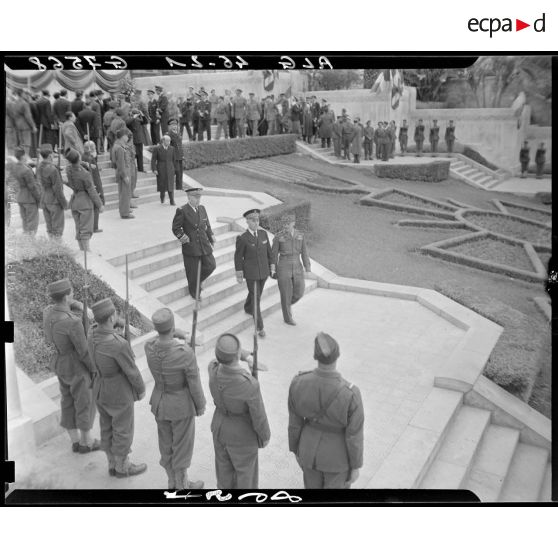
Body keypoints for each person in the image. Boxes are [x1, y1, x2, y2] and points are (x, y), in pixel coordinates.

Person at [288, 332, 364, 489]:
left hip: (308, 452)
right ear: (338, 356)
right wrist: (356, 466)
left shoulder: (298, 382)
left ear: (315, 357)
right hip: (337, 460)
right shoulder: (351, 393)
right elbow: (354, 435)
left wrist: (296, 449)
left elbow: (294, 423)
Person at [145, 308, 206, 490]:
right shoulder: (185, 352)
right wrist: (200, 405)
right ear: (172, 327)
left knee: (166, 444)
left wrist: (174, 333)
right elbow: (194, 382)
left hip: (160, 403)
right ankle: (182, 485)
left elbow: (157, 339)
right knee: (182, 446)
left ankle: (172, 482)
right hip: (180, 406)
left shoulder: (149, 347)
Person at [88, 298, 147, 478]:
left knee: (106, 427)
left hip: (100, 388)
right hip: (118, 392)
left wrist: (119, 328)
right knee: (123, 429)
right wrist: (141, 389)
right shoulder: (118, 344)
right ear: (113, 316)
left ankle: (112, 464)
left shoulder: (91, 334)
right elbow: (132, 372)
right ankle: (123, 467)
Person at [43, 278, 100, 454]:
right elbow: (83, 352)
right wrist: (94, 370)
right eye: (72, 293)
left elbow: (65, 301)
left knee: (67, 401)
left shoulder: (48, 312)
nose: (73, 295)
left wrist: (81, 306)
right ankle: (87, 443)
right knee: (84, 402)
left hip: (60, 362)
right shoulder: (72, 322)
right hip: (76, 366)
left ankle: (75, 441)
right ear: (67, 296)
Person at [208, 333, 270, 489]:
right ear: (237, 355)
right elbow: (259, 417)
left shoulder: (212, 369)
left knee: (223, 475)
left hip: (220, 428)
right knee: (245, 479)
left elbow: (220, 357)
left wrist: (246, 356)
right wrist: (265, 437)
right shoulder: (249, 384)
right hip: (242, 436)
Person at [172, 187, 217, 300]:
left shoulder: (202, 208)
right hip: (191, 246)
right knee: (192, 271)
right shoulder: (182, 210)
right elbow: (175, 228)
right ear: (189, 197)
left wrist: (211, 236)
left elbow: (207, 224)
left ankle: (197, 281)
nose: (198, 200)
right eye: (195, 197)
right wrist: (183, 237)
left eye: (199, 197)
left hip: (203, 244)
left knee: (211, 265)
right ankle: (194, 292)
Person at [234, 208, 273, 338]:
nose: (256, 223)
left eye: (257, 220)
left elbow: (269, 253)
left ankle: (247, 307)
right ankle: (260, 327)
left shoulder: (263, 234)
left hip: (264, 273)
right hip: (251, 275)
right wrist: (239, 274)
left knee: (257, 295)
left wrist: (272, 267)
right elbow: (238, 257)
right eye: (253, 220)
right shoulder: (243, 238)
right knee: (256, 299)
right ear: (247, 221)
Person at [271, 214, 311, 326]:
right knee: (285, 293)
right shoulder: (278, 237)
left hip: (297, 265)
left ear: (293, 223)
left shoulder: (300, 235)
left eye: (288, 224)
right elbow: (273, 255)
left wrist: (307, 267)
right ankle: (288, 318)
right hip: (283, 266)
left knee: (300, 291)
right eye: (284, 223)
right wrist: (273, 269)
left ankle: (286, 304)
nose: (285, 226)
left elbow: (304, 252)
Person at [66, 148, 103, 251]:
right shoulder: (84, 174)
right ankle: (87, 252)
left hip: (75, 201)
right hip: (84, 202)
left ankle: (82, 250)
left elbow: (73, 163)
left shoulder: (68, 169)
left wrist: (85, 163)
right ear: (78, 158)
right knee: (86, 229)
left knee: (79, 228)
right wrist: (100, 204)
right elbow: (91, 190)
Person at [37, 143, 68, 239]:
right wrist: (64, 203)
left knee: (50, 228)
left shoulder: (39, 167)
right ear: (50, 155)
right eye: (52, 155)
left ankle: (52, 247)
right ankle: (57, 250)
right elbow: (58, 189)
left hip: (44, 199)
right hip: (54, 200)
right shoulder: (52, 170)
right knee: (57, 229)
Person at [12, 146, 41, 235]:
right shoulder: (26, 170)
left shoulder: (15, 167)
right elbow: (32, 187)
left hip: (21, 197)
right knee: (32, 225)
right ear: (23, 156)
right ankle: (30, 244)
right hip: (30, 198)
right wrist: (39, 198)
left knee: (25, 223)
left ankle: (26, 243)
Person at [82, 140, 105, 233]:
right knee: (95, 206)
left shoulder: (85, 157)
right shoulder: (89, 159)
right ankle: (94, 227)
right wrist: (97, 187)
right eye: (94, 148)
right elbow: (93, 175)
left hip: (90, 184)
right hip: (93, 184)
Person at [112, 128, 134, 219]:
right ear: (122, 136)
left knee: (125, 192)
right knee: (124, 193)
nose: (127, 137)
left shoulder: (119, 145)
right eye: (126, 135)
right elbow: (120, 164)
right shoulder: (120, 148)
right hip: (123, 172)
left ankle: (125, 208)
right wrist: (124, 176)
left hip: (125, 171)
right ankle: (124, 213)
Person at [151, 134, 176, 205]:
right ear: (163, 141)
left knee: (170, 185)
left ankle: (172, 200)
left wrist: (174, 169)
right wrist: (154, 169)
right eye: (167, 141)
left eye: (170, 141)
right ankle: (162, 198)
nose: (169, 142)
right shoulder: (157, 148)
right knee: (162, 185)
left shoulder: (172, 148)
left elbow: (174, 160)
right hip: (161, 168)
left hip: (170, 168)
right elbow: (153, 160)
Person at [168, 119, 184, 190]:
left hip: (180, 156)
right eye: (172, 125)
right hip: (174, 156)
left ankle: (179, 187)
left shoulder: (178, 133)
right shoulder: (168, 135)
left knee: (180, 173)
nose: (174, 126)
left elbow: (180, 145)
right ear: (170, 126)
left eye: (175, 125)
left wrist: (182, 154)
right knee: (175, 171)